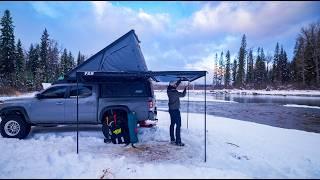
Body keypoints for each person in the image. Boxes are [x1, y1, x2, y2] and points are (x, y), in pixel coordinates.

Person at [167, 79, 187, 146]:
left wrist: (179, 81)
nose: (176, 85)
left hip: (171, 110)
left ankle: (172, 139)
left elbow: (174, 86)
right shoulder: (175, 93)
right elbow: (183, 95)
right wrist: (185, 88)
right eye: (175, 85)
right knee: (178, 125)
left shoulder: (169, 90)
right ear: (173, 85)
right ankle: (178, 141)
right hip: (175, 111)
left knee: (172, 124)